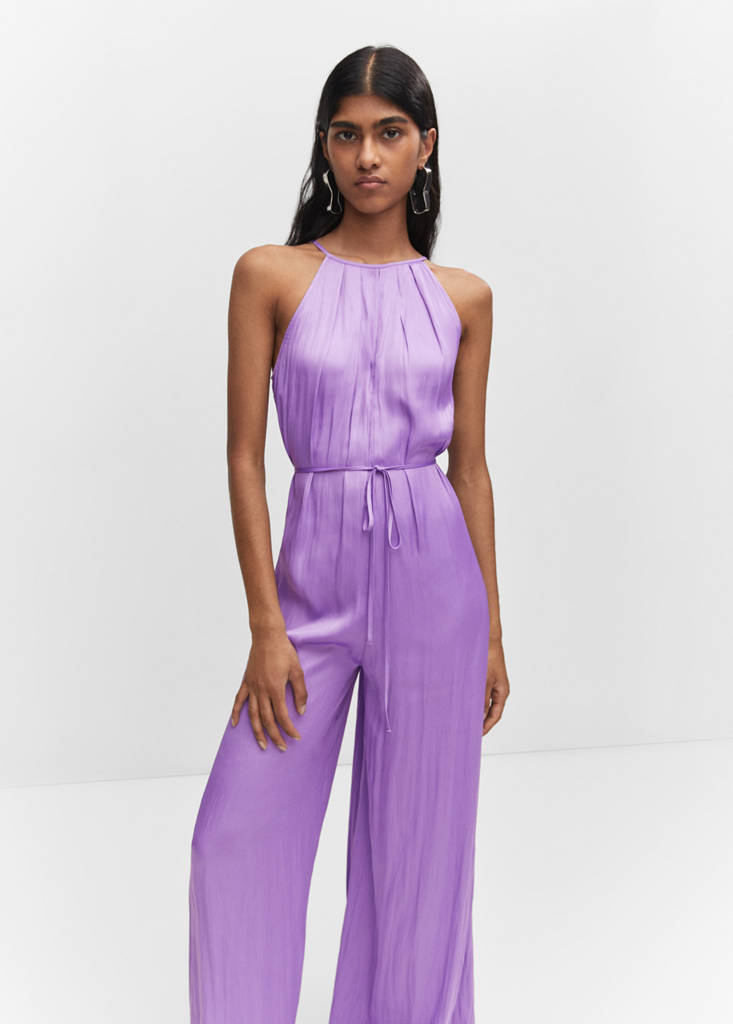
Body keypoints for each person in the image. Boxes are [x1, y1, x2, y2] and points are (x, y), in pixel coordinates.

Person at [189, 43, 510, 1024]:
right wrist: (266, 626)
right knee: (233, 835)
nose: (367, 155)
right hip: (310, 594)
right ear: (324, 147)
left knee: (419, 858)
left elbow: (469, 469)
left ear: (425, 146)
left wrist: (492, 634)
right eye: (346, 133)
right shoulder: (270, 275)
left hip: (437, 590)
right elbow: (244, 457)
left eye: (389, 133)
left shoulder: (462, 298)